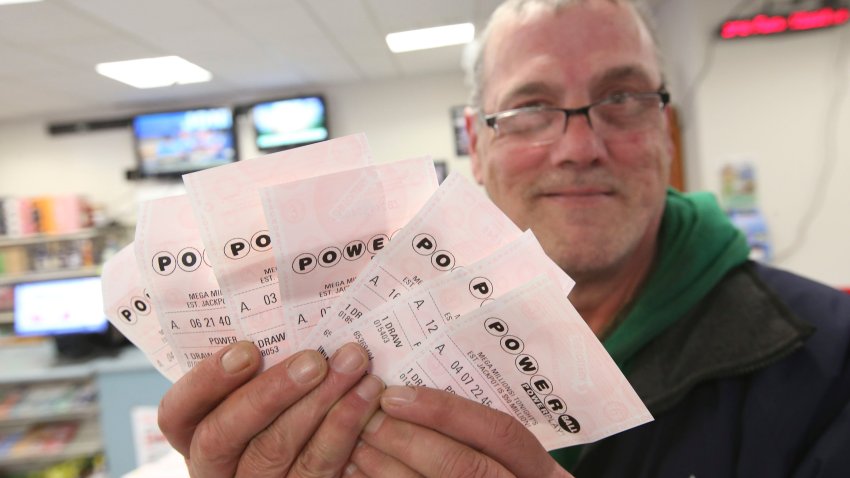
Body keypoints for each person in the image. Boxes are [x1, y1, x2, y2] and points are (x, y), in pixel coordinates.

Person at [157, 0, 850, 476]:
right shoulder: (359, 356)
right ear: (475, 144)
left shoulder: (832, 363)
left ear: (664, 128)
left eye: (621, 98)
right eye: (530, 108)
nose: (580, 146)